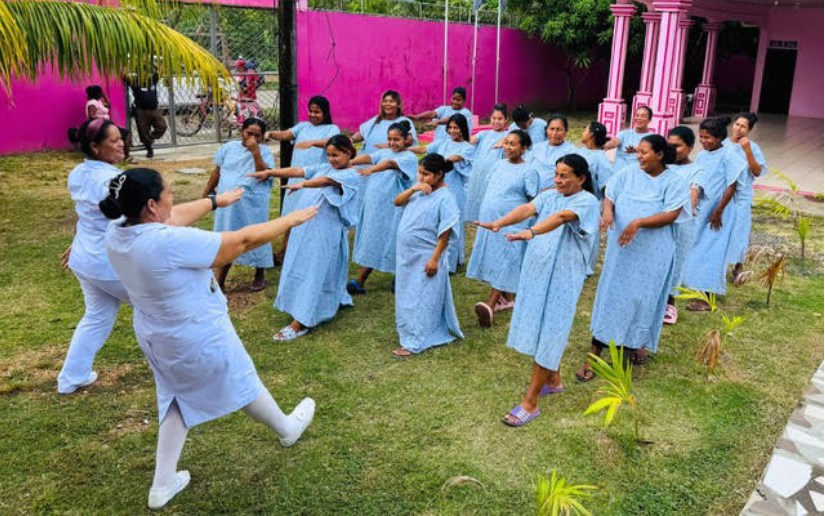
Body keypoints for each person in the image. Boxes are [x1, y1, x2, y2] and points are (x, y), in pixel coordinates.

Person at [101, 168, 317, 511]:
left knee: (175, 397)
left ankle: (163, 483)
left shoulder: (117, 231)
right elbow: (241, 242)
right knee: (241, 380)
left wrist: (215, 201)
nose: (175, 197)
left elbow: (176, 216)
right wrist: (289, 220)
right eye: (169, 192)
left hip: (158, 336)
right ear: (152, 205)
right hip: (195, 334)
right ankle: (286, 428)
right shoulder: (166, 243)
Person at [489, 154, 600, 427]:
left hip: (563, 276)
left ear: (581, 178)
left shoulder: (587, 201)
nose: (558, 180)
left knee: (553, 328)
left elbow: (562, 217)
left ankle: (530, 401)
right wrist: (499, 223)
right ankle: (554, 379)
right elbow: (528, 209)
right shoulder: (550, 195)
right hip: (538, 272)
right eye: (557, 174)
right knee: (540, 325)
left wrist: (532, 233)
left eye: (565, 176)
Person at [577, 134, 690, 381]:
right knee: (611, 295)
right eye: (637, 151)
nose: (638, 156)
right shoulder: (628, 173)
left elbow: (671, 214)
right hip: (623, 250)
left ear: (660, 154)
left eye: (644, 152)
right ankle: (594, 353)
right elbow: (610, 195)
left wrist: (637, 222)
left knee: (641, 299)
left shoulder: (674, 181)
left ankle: (630, 350)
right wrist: (607, 213)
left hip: (653, 253)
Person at [248, 135, 361, 341]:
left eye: (335, 155)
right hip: (305, 228)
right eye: (328, 155)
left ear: (348, 152)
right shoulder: (324, 167)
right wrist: (270, 172)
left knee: (315, 270)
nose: (331, 159)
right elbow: (298, 171)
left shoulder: (351, 174)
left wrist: (304, 185)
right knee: (299, 264)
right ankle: (318, 300)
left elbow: (327, 182)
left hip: (324, 231)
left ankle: (301, 322)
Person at [57, 118, 130, 395]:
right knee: (160, 308)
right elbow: (124, 223)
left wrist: (77, 244)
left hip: (86, 260)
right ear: (95, 147)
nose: (121, 142)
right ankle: (180, 368)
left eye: (120, 137)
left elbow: (88, 216)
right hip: (108, 264)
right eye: (113, 140)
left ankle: (71, 377)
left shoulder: (78, 173)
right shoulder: (114, 181)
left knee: (97, 317)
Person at [392, 154, 463, 357]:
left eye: (426, 174)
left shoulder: (445, 198)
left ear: (439, 174)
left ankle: (417, 340)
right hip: (407, 255)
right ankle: (409, 331)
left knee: (421, 296)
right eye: (420, 173)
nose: (421, 177)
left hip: (426, 255)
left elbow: (446, 231)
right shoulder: (419, 190)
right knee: (407, 294)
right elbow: (397, 202)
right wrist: (413, 188)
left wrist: (435, 258)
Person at [470, 130, 540, 327]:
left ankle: (490, 305)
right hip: (491, 221)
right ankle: (508, 298)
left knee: (507, 258)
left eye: (513, 144)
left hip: (513, 223)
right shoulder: (499, 165)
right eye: (506, 143)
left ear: (524, 148)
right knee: (496, 257)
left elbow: (532, 200)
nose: (508, 147)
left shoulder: (528, 171)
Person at [681, 118, 747, 311]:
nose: (704, 141)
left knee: (712, 251)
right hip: (703, 210)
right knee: (698, 248)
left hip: (720, 212)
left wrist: (719, 211)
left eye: (708, 137)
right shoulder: (702, 156)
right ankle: (697, 288)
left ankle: (707, 298)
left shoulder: (729, 155)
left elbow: (732, 185)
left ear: (719, 137)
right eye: (701, 137)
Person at [203, 118, 275, 292]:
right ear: (241, 131)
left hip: (252, 202)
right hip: (228, 202)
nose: (252, 137)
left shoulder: (265, 152)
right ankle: (221, 278)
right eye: (249, 133)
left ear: (262, 138)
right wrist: (207, 191)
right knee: (227, 235)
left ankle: (259, 273)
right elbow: (217, 171)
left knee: (256, 235)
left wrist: (255, 151)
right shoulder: (228, 148)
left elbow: (263, 174)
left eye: (257, 135)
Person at [347, 121, 419, 294]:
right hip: (376, 208)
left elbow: (389, 164)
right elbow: (369, 157)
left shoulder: (409, 158)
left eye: (397, 139)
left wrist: (373, 169)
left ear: (406, 139)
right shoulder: (384, 151)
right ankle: (360, 281)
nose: (393, 143)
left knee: (396, 241)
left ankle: (401, 278)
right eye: (390, 139)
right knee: (374, 240)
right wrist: (350, 162)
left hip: (394, 209)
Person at [350, 91, 418, 223]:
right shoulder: (376, 121)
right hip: (371, 165)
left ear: (398, 104)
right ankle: (363, 220)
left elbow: (408, 141)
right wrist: (351, 141)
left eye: (391, 101)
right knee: (368, 195)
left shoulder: (404, 122)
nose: (387, 104)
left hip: (388, 169)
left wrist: (389, 146)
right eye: (385, 101)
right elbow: (361, 133)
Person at [264, 96, 340, 217]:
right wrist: (270, 134)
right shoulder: (303, 126)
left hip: (315, 179)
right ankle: (288, 236)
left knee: (309, 216)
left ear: (325, 113)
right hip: (296, 176)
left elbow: (332, 142)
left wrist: (313, 142)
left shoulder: (332, 129)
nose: (313, 114)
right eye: (310, 111)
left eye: (317, 112)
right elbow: (285, 134)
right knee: (290, 216)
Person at [420, 113, 474, 272]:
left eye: (456, 128)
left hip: (455, 189)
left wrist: (443, 162)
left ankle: (451, 263)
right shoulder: (442, 143)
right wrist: (406, 147)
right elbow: (424, 148)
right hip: (438, 188)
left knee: (452, 225)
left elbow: (456, 157)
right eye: (450, 127)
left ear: (462, 128)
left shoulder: (468, 147)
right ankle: (438, 256)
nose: (452, 131)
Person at [664, 126, 702, 324]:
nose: (672, 150)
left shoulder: (696, 170)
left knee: (677, 261)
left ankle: (670, 303)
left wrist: (681, 208)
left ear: (689, 147)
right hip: (661, 222)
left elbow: (693, 195)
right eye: (669, 146)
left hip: (682, 225)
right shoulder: (663, 166)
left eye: (677, 146)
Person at [724, 112, 767, 283]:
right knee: (721, 229)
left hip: (742, 196)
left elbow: (757, 171)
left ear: (749, 130)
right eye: (737, 124)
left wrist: (747, 150)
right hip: (723, 196)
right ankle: (719, 264)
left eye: (743, 126)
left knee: (739, 230)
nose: (738, 129)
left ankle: (738, 266)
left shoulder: (753, 147)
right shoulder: (723, 144)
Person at [574, 121, 614, 271]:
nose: (583, 132)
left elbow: (606, 186)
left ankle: (585, 268)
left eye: (585, 129)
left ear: (591, 134)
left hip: (590, 202)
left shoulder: (600, 158)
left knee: (587, 236)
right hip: (574, 200)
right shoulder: (581, 152)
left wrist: (605, 210)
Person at [465, 103, 509, 223]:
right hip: (478, 173)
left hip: (494, 174)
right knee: (476, 194)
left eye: (500, 119)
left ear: (506, 120)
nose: (496, 121)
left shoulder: (508, 136)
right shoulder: (484, 134)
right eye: (494, 118)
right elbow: (471, 140)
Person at [124, 72, 167, 158]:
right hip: (141, 110)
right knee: (143, 130)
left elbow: (160, 70)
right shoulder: (135, 82)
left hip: (153, 109)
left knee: (162, 125)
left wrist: (153, 64)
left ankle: (150, 138)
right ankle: (149, 148)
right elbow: (124, 76)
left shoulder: (152, 80)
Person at [530, 114, 577, 190]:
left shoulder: (571, 151)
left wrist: (553, 190)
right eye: (551, 129)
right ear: (546, 130)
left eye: (559, 129)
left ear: (566, 131)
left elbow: (573, 178)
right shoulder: (537, 148)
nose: (554, 133)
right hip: (533, 194)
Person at [84, 84, 131, 159]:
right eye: (100, 92)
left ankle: (124, 155)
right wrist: (104, 117)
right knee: (125, 133)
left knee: (125, 134)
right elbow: (91, 116)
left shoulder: (98, 101)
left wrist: (104, 95)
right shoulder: (92, 103)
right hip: (100, 126)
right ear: (97, 93)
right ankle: (126, 156)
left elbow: (108, 104)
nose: (102, 93)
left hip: (105, 125)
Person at [604, 106, 653, 172]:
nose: (639, 118)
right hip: (619, 172)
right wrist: (605, 145)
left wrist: (637, 150)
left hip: (638, 173)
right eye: (637, 115)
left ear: (649, 120)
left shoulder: (652, 137)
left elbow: (653, 155)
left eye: (643, 116)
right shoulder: (624, 133)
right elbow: (614, 142)